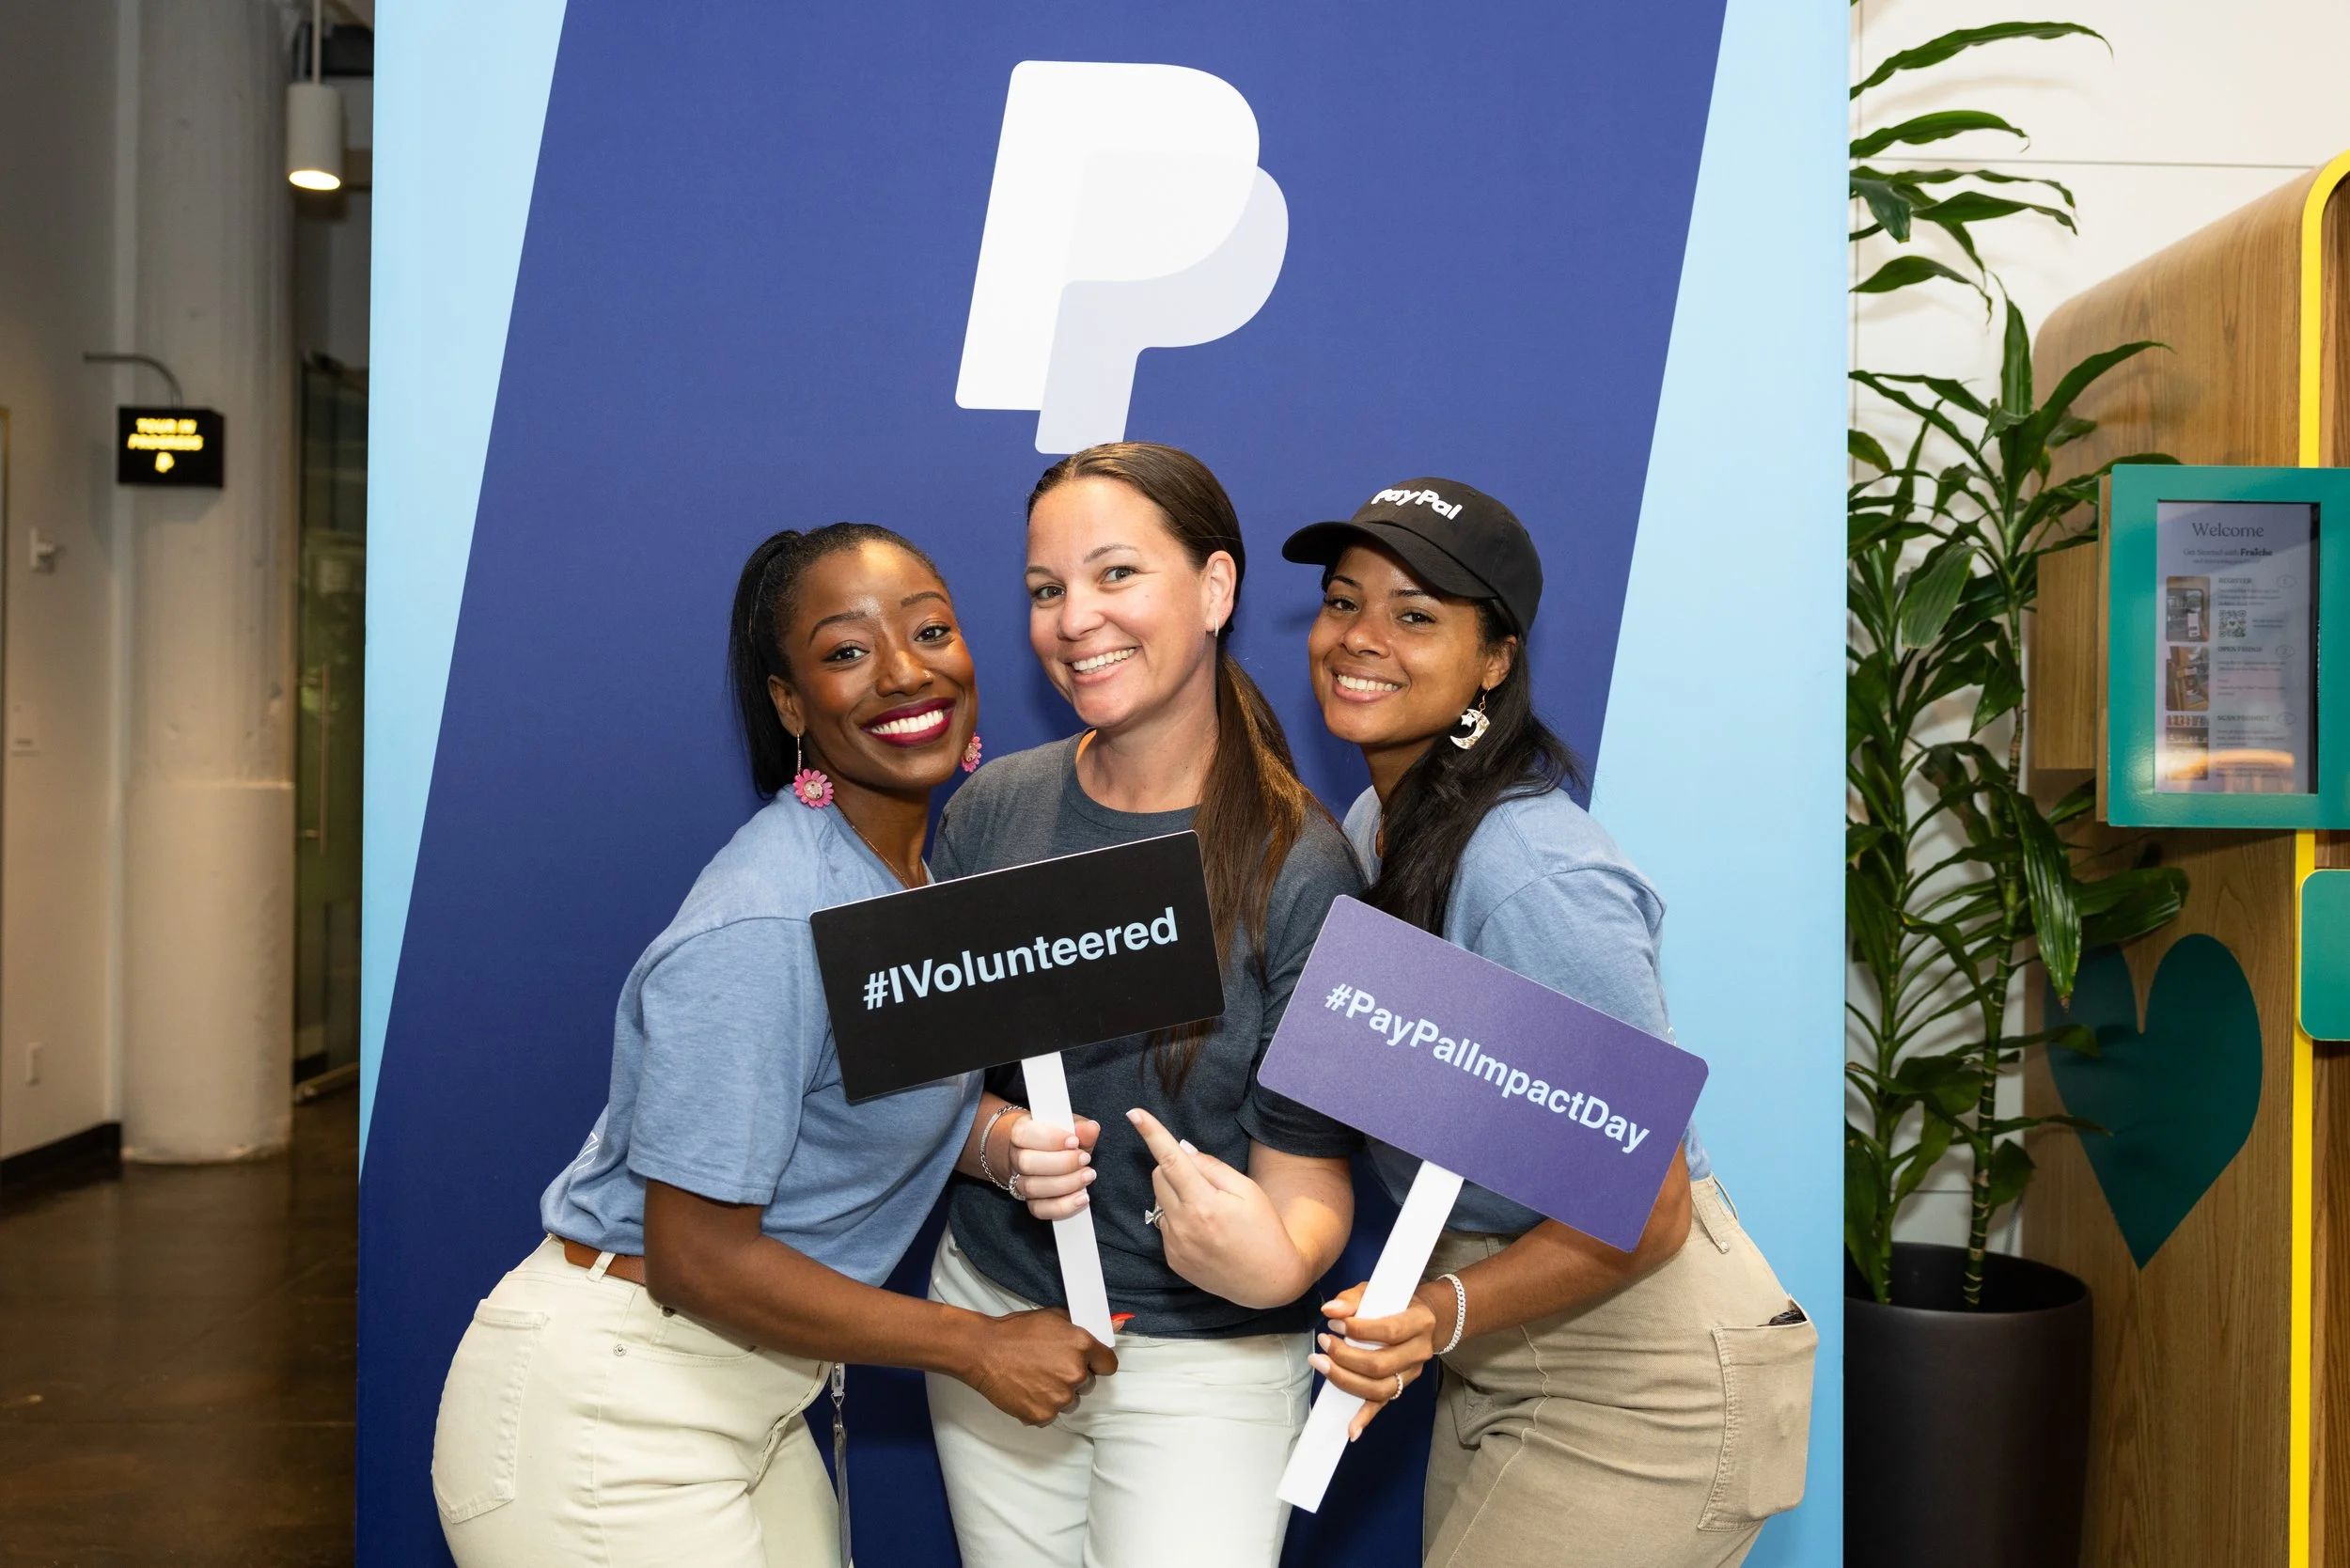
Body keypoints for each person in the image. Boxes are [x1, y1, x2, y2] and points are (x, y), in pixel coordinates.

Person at [430, 524, 1114, 1568]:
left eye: (930, 629)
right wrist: (973, 1347)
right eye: (845, 652)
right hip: (613, 1415)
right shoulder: (766, 920)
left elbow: (845, 1086)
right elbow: (698, 1255)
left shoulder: (904, 884)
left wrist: (994, 1144)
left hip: (745, 1401)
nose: (902, 671)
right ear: (789, 704)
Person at [1274, 479, 1817, 1568]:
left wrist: (1435, 1314)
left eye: (1415, 615)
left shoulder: (1530, 873)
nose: (1360, 639)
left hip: (1642, 1381)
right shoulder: (1381, 823)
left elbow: (1649, 1208)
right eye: (1343, 603)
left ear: (1494, 660)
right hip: (1508, 1348)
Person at [921, 443, 1365, 1568]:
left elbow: (1307, 1196)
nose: (1076, 619)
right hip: (999, 1322)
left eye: (1116, 575)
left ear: (1215, 590)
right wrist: (996, 1146)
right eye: (1045, 589)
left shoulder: (1301, 866)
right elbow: (933, 1088)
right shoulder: (990, 815)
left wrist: (1266, 1262)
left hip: (1200, 1376)